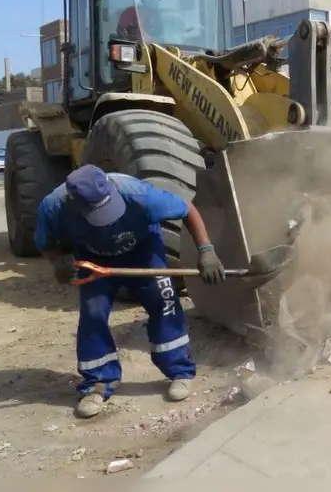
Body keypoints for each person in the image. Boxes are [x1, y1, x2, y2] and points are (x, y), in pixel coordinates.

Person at [35, 164, 226, 419]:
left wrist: (206, 250)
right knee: (93, 314)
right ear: (74, 204)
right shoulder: (53, 207)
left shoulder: (141, 195)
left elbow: (187, 209)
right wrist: (57, 261)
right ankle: (97, 382)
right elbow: (45, 243)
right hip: (94, 259)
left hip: (143, 250)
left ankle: (179, 371)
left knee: (164, 301)